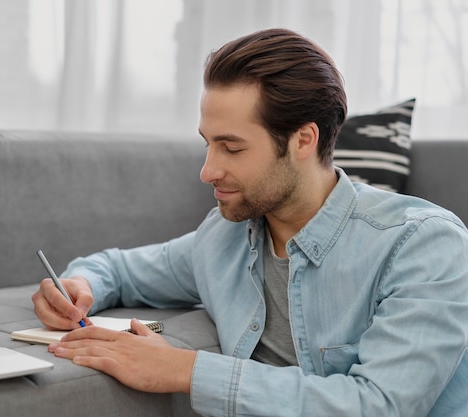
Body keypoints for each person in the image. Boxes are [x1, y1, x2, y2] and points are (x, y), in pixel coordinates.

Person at [32, 28, 468, 416]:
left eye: (232, 148)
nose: (207, 171)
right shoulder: (223, 239)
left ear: (303, 139)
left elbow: (379, 404)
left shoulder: (422, 246)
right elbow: (119, 269)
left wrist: (184, 369)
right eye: (208, 144)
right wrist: (79, 286)